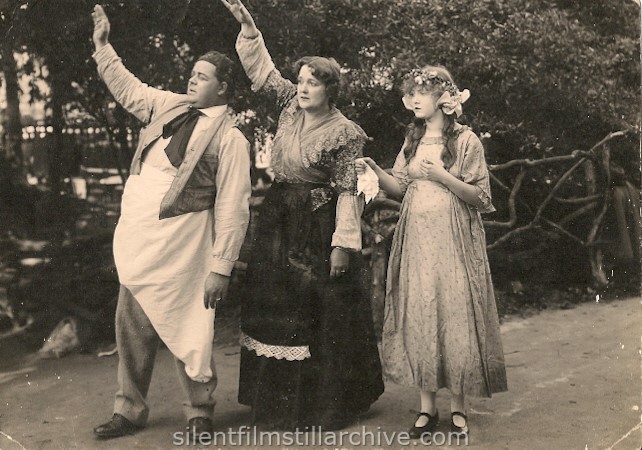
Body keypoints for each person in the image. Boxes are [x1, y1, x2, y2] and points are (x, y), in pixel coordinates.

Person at [220, 0, 384, 431]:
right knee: (273, 301)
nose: (304, 88)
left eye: (314, 83)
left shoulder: (345, 132)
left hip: (318, 223)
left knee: (318, 305)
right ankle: (275, 404)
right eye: (302, 81)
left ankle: (326, 405)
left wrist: (343, 246)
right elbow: (262, 73)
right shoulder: (289, 104)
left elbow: (348, 190)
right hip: (279, 217)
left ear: (331, 89)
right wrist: (249, 28)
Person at [90, 4, 251, 440]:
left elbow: (234, 207)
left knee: (189, 323)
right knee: (132, 319)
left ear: (222, 89)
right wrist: (104, 47)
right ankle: (128, 409)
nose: (192, 80)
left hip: (188, 241)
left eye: (202, 76)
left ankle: (199, 411)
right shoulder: (168, 106)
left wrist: (221, 267)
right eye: (192, 74)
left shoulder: (230, 139)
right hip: (141, 234)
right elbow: (129, 89)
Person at [357, 65, 507, 437]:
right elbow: (400, 186)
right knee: (421, 310)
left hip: (454, 237)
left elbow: (481, 196)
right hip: (417, 239)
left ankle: (458, 407)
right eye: (412, 93)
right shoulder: (412, 140)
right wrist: (375, 168)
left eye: (422, 92)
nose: (414, 100)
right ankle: (426, 408)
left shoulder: (467, 141)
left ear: (444, 98)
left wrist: (442, 175)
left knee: (452, 310)